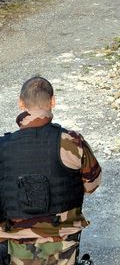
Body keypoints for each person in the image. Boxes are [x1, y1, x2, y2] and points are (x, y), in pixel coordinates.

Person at [0, 77, 102, 265]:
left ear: (21, 103)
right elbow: (92, 185)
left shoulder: (2, 147)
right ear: (53, 101)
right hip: (62, 245)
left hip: (12, 248)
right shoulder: (72, 142)